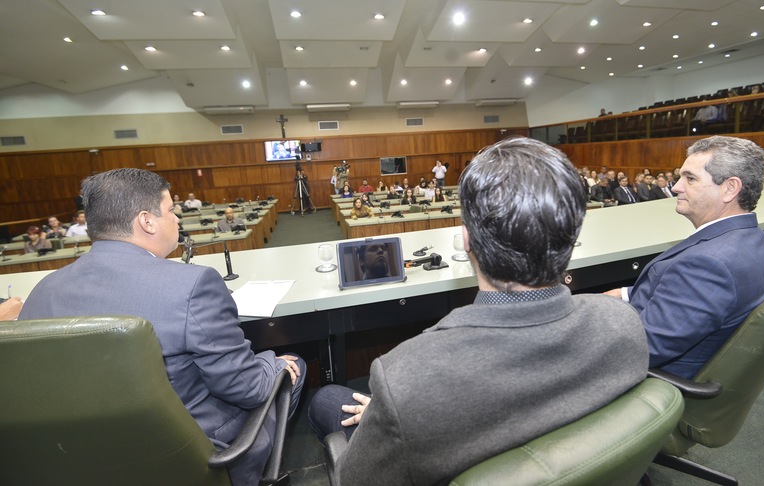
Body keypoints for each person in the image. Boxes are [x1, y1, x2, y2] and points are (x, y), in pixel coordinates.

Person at [308, 136, 648, 485]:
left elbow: (353, 479)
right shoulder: (623, 321)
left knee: (326, 400)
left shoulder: (406, 376)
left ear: (466, 238)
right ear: (573, 233)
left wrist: (390, 417)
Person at [18, 168, 306, 486]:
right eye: (171, 210)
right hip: (184, 455)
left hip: (75, 459)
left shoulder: (42, 291)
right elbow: (248, 389)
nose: (177, 219)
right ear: (147, 221)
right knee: (292, 365)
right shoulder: (192, 284)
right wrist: (272, 363)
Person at [605, 136, 764, 379]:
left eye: (690, 178)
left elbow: (643, 347)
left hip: (656, 378)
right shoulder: (753, 239)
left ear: (730, 188)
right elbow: (687, 296)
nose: (676, 187)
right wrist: (627, 293)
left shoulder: (709, 265)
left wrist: (586, 330)